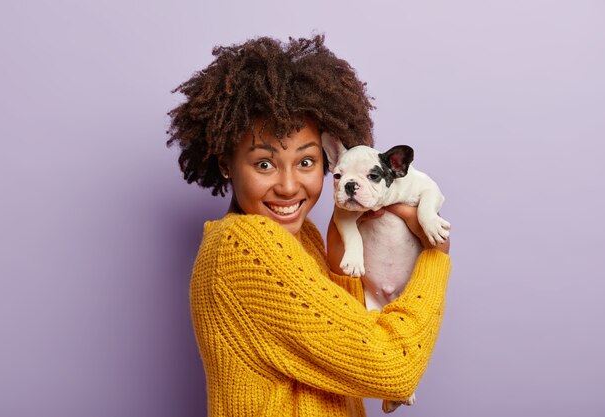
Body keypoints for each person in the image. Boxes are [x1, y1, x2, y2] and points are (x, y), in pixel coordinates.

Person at [166, 35, 451, 417]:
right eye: (264, 164)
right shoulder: (244, 245)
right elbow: (392, 367)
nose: (287, 186)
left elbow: (351, 333)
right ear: (225, 164)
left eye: (306, 162)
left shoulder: (302, 237)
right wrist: (435, 257)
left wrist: (345, 234)